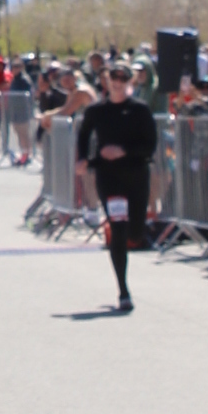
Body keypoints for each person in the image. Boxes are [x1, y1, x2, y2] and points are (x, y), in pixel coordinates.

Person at [77, 60, 158, 309]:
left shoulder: (140, 110)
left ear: (130, 82)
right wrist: (83, 159)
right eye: (114, 78)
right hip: (109, 177)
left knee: (135, 233)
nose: (118, 83)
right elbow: (83, 134)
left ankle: (137, 232)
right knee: (118, 230)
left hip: (136, 174)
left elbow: (150, 144)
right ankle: (123, 291)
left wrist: (123, 151)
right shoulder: (97, 111)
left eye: (123, 79)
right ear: (107, 81)